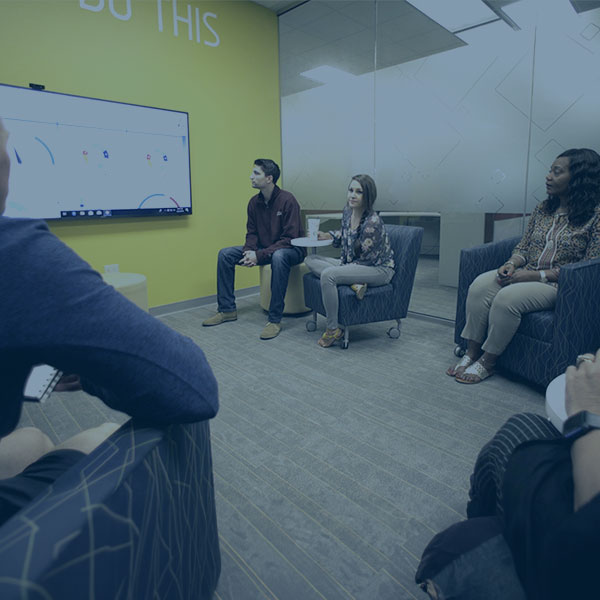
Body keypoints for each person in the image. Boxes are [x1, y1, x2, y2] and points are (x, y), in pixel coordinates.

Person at [0, 118, 219, 526]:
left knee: (31, 438)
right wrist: (93, 372)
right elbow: (195, 387)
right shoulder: (15, 254)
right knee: (99, 434)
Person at [416, 350, 600, 600]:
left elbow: (584, 543)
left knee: (451, 547)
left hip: (575, 553)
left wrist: (588, 415)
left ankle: (481, 512)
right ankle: (473, 353)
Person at [448, 148, 600, 384]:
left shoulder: (595, 216)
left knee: (506, 299)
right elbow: (523, 246)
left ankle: (488, 362)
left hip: (558, 285)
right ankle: (471, 352)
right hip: (524, 271)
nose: (548, 176)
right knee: (479, 286)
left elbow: (588, 268)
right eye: (550, 170)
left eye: (556, 172)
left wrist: (533, 276)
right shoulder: (544, 209)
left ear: (578, 178)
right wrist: (511, 264)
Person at [202, 159, 305, 340]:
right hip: (264, 249)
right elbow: (252, 233)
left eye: (256, 173)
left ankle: (274, 320)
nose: (251, 177)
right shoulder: (253, 203)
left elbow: (289, 239)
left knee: (279, 257)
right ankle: (227, 310)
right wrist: (249, 252)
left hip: (290, 250)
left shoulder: (288, 200)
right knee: (225, 254)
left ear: (269, 179)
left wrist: (259, 255)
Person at [304, 174, 395, 347]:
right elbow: (346, 235)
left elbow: (364, 259)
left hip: (378, 269)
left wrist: (341, 271)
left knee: (328, 276)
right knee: (310, 259)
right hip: (353, 263)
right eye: (351, 190)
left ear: (367, 196)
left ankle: (333, 329)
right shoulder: (348, 212)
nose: (352, 195)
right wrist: (328, 235)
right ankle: (355, 283)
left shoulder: (372, 223)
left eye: (359, 192)